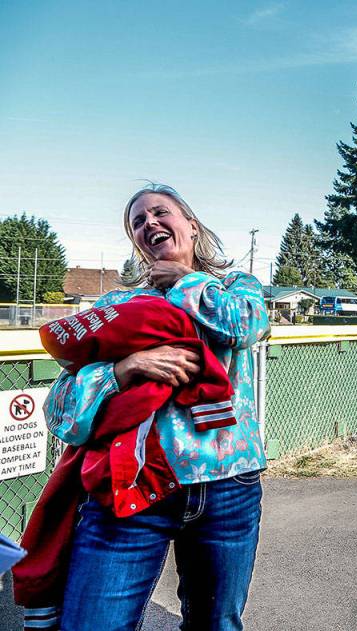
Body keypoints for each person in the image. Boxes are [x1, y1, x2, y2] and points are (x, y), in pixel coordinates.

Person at [22, 183, 270, 630]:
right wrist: (125, 369)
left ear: (191, 226)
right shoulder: (118, 305)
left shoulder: (235, 287)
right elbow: (60, 407)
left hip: (228, 487)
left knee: (217, 623)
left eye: (160, 212)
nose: (149, 223)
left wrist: (185, 281)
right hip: (130, 488)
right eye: (137, 222)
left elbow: (247, 325)